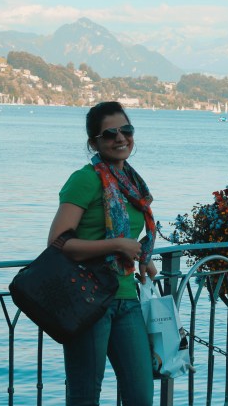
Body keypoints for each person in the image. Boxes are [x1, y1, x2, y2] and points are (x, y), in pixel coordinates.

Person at [48, 101, 157, 405]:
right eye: (109, 134)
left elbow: (128, 234)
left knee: (141, 396)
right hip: (88, 300)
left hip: (126, 297)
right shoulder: (85, 179)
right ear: (93, 143)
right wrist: (117, 245)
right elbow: (58, 242)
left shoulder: (132, 184)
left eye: (126, 130)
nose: (120, 138)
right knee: (85, 396)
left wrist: (142, 256)